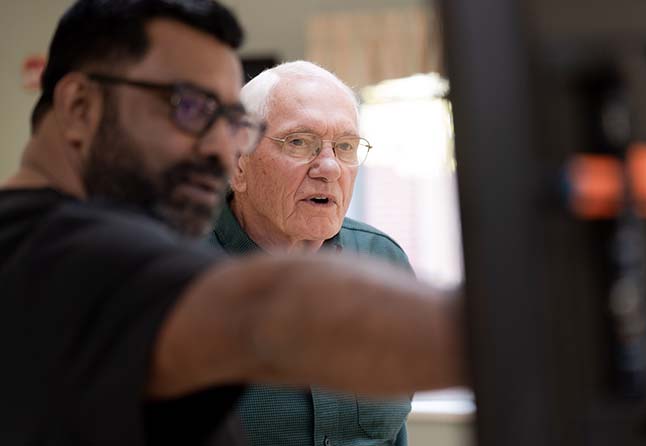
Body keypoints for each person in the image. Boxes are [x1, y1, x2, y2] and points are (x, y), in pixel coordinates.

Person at [0, 1, 466, 445]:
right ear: (81, 107)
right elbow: (261, 312)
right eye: (190, 108)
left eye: (228, 123)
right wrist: (490, 331)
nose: (221, 151)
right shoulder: (55, 252)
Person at [209, 61, 413, 446]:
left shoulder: (383, 262)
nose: (330, 168)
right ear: (238, 162)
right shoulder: (176, 273)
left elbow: (392, 432)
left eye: (346, 147)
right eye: (299, 142)